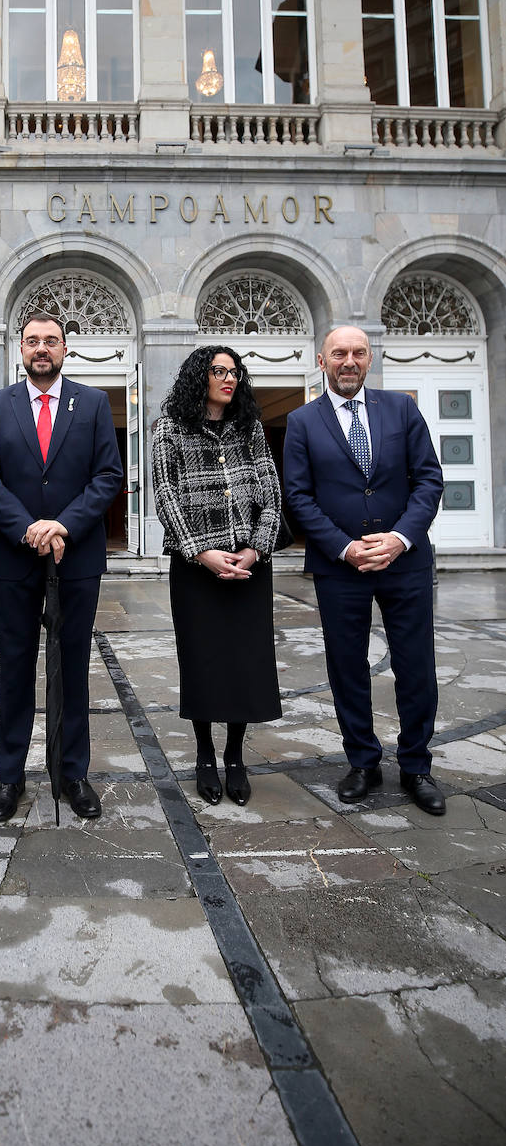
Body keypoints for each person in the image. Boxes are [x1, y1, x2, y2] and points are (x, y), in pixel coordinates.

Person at [283, 325, 445, 815]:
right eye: (339, 354)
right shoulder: (301, 421)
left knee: (416, 666)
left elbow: (429, 480)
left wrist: (398, 539)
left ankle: (416, 765)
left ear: (369, 358)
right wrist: (345, 548)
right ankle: (363, 762)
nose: (348, 361)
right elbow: (298, 496)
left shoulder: (401, 409)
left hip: (405, 561)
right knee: (347, 668)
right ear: (322, 360)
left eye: (357, 353)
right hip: (341, 568)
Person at [0, 311, 123, 822]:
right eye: (33, 340)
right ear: (20, 349)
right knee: (14, 669)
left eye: (51, 341)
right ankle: (9, 777)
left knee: (72, 666)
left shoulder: (95, 403)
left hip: (77, 557)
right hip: (15, 558)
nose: (42, 348)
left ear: (64, 349)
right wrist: (29, 527)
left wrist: (62, 525)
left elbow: (107, 476)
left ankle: (72, 773)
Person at [151, 346, 283, 806]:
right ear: (198, 376)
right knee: (204, 661)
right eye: (218, 371)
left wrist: (255, 547)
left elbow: (270, 491)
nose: (228, 379)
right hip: (196, 570)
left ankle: (234, 756)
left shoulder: (249, 428)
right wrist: (200, 551)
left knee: (244, 663)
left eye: (234, 372)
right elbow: (165, 494)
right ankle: (205, 752)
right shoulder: (168, 428)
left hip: (249, 566)